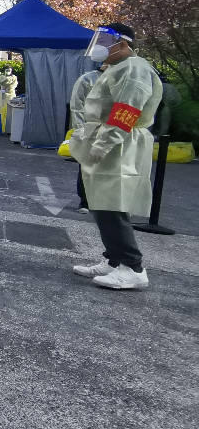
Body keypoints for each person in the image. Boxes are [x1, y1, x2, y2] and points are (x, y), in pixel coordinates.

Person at [69, 23, 163, 291]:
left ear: (123, 43)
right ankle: (113, 260)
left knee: (112, 205)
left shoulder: (134, 69)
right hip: (110, 141)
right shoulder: (118, 69)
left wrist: (102, 144)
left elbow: (126, 111)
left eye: (105, 40)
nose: (99, 46)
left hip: (120, 144)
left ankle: (133, 267)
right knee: (101, 203)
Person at [69, 48, 109, 213]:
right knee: (87, 164)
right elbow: (77, 106)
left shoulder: (122, 81)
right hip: (91, 129)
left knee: (109, 167)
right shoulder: (88, 79)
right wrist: (80, 130)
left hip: (111, 130)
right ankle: (85, 200)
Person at [0, 64, 19, 129]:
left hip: (11, 94)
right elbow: (1, 82)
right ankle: (2, 126)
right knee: (2, 109)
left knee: (10, 110)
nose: (8, 71)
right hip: (3, 95)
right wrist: (7, 79)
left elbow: (13, 85)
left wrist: (7, 85)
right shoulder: (2, 76)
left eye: (9, 70)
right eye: (6, 70)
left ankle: (9, 127)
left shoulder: (14, 77)